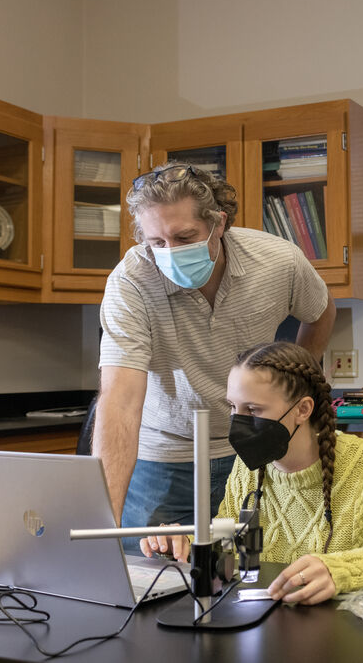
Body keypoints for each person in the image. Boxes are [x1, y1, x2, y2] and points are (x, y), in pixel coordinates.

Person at [97, 162, 336, 551]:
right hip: (164, 457)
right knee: (149, 581)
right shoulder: (130, 282)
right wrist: (100, 520)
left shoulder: (278, 262)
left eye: (185, 236)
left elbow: (322, 311)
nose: (170, 252)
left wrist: (291, 385)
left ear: (218, 224)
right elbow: (120, 400)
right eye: (157, 243)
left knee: (252, 576)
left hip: (251, 452)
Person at [141, 342, 363, 605]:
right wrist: (185, 545)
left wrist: (340, 570)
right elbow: (231, 553)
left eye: (253, 410)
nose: (237, 422)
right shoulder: (247, 470)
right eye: (232, 407)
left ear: (303, 410)